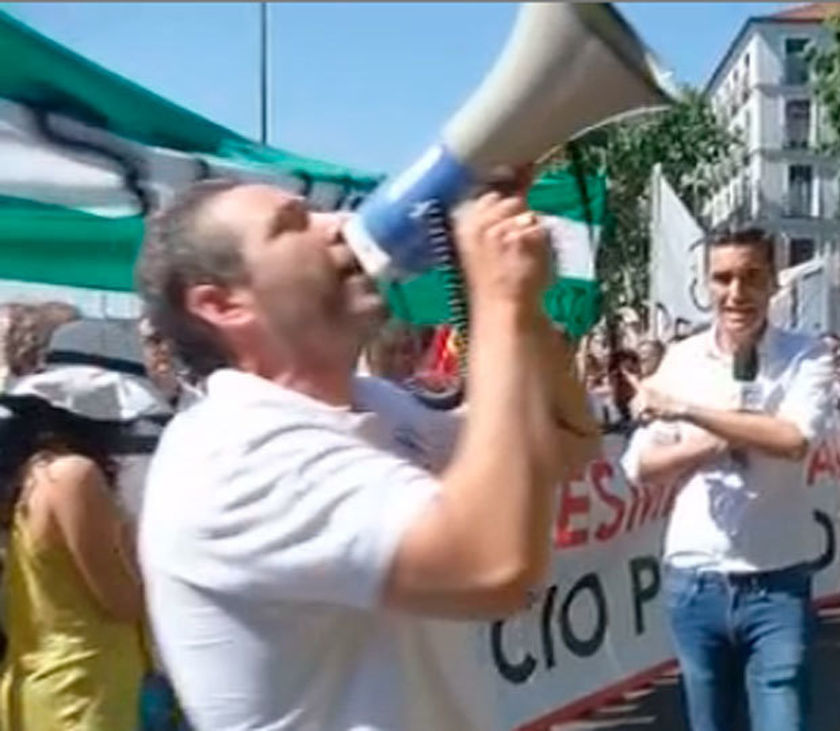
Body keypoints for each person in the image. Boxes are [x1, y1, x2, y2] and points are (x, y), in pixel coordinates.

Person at [134, 177, 600, 729]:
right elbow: (491, 566)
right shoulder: (230, 455)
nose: (339, 225)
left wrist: (521, 310)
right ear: (222, 303)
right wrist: (500, 301)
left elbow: (563, 441)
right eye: (292, 224)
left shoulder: (373, 404)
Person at [621, 227, 833, 731]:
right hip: (695, 582)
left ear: (774, 282)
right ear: (706, 285)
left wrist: (688, 412)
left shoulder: (807, 354)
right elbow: (640, 466)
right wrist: (718, 441)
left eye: (751, 277)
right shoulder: (683, 358)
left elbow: (794, 439)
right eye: (723, 278)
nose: (737, 293)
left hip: (777, 583)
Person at [0, 318, 177, 731]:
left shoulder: (31, 472)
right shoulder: (74, 475)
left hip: (41, 673)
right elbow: (122, 600)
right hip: (86, 686)